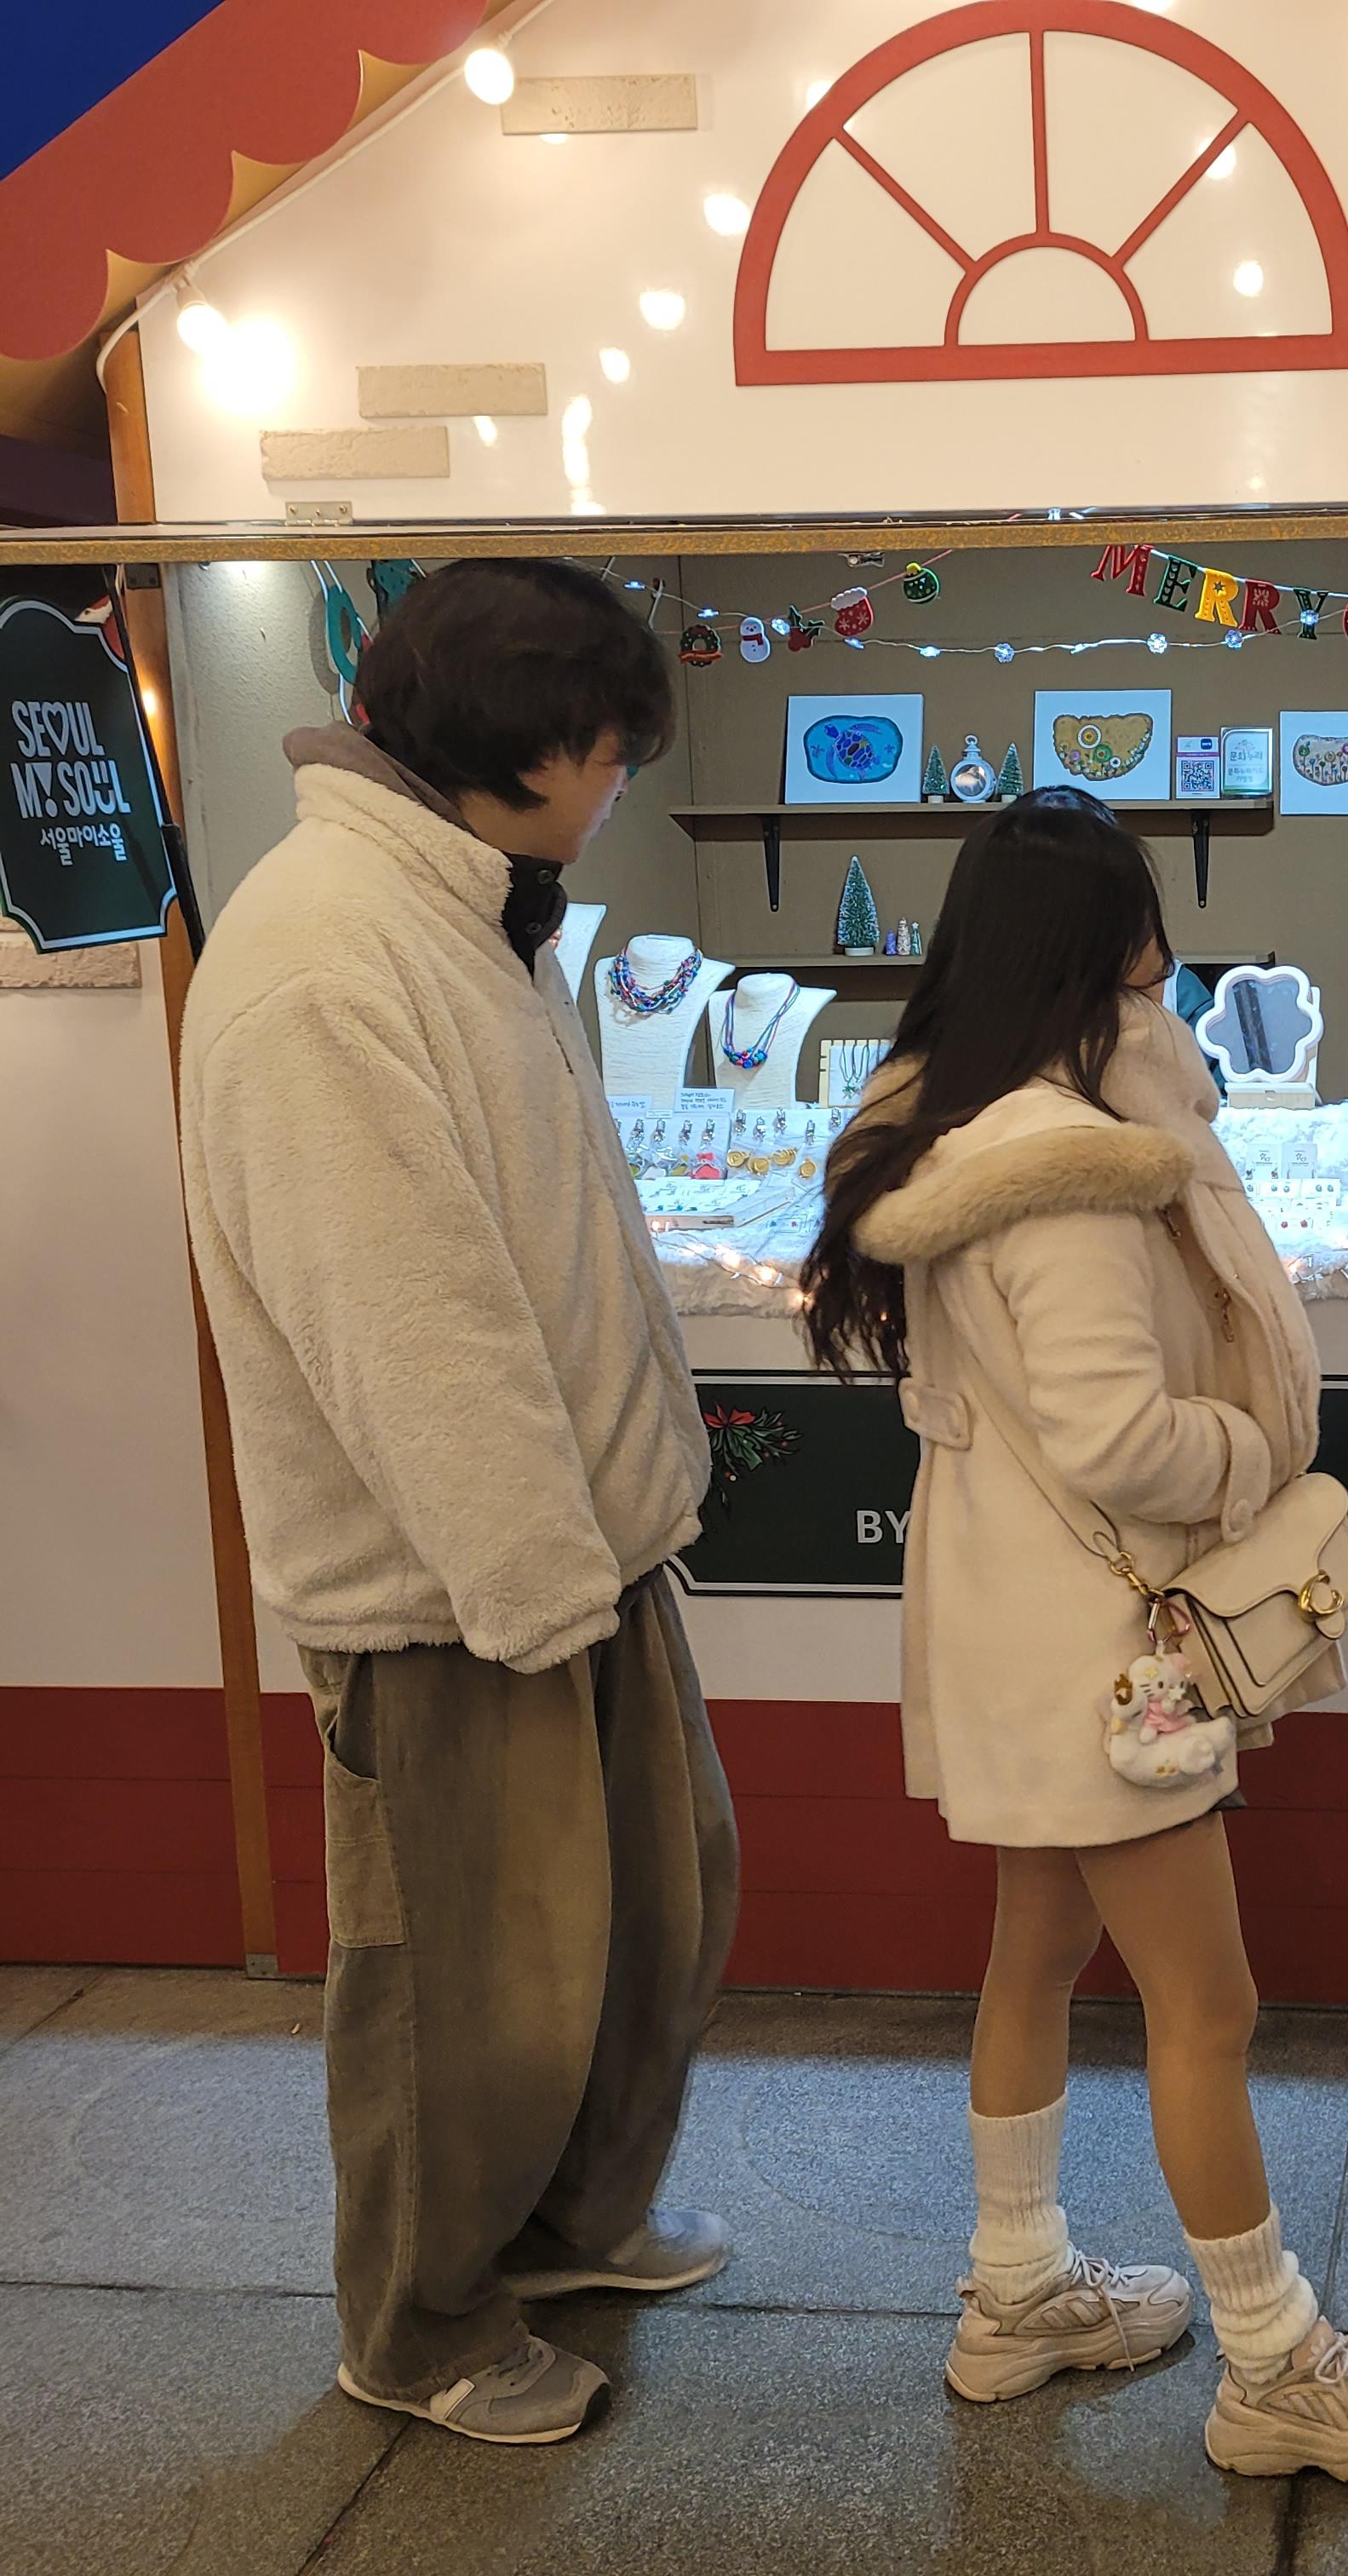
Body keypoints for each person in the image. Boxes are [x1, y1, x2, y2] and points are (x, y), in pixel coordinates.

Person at [802, 791, 1348, 2487]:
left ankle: (1018, 2293)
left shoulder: (945, 1129)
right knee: (1208, 2004)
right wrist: (1254, 1455)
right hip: (1111, 1659)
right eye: (1147, 944)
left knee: (1035, 1952)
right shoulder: (1073, 1177)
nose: (1166, 975)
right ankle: (1276, 2364)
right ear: (1104, 955)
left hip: (1012, 1623)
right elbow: (1116, 1437)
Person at [177, 561, 738, 2447]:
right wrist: (535, 1586)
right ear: (534, 746)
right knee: (465, 1993)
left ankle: (568, 2226)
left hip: (587, 1548)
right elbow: (408, 1326)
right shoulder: (325, 958)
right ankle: (418, 2328)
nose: (623, 781)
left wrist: (621, 1522)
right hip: (456, 1596)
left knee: (648, 1925)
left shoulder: (475, 909)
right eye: (612, 747)